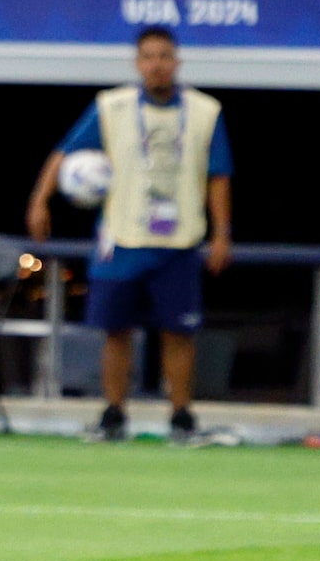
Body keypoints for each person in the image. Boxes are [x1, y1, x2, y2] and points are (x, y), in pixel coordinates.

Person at [25, 25, 231, 442]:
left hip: (180, 241)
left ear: (177, 61)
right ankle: (114, 415)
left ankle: (182, 419)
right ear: (138, 63)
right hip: (121, 239)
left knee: (180, 333)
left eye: (165, 56)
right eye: (149, 57)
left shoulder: (205, 110)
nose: (157, 65)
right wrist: (39, 200)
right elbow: (64, 152)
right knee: (116, 332)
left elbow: (219, 175)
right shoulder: (111, 106)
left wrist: (222, 233)